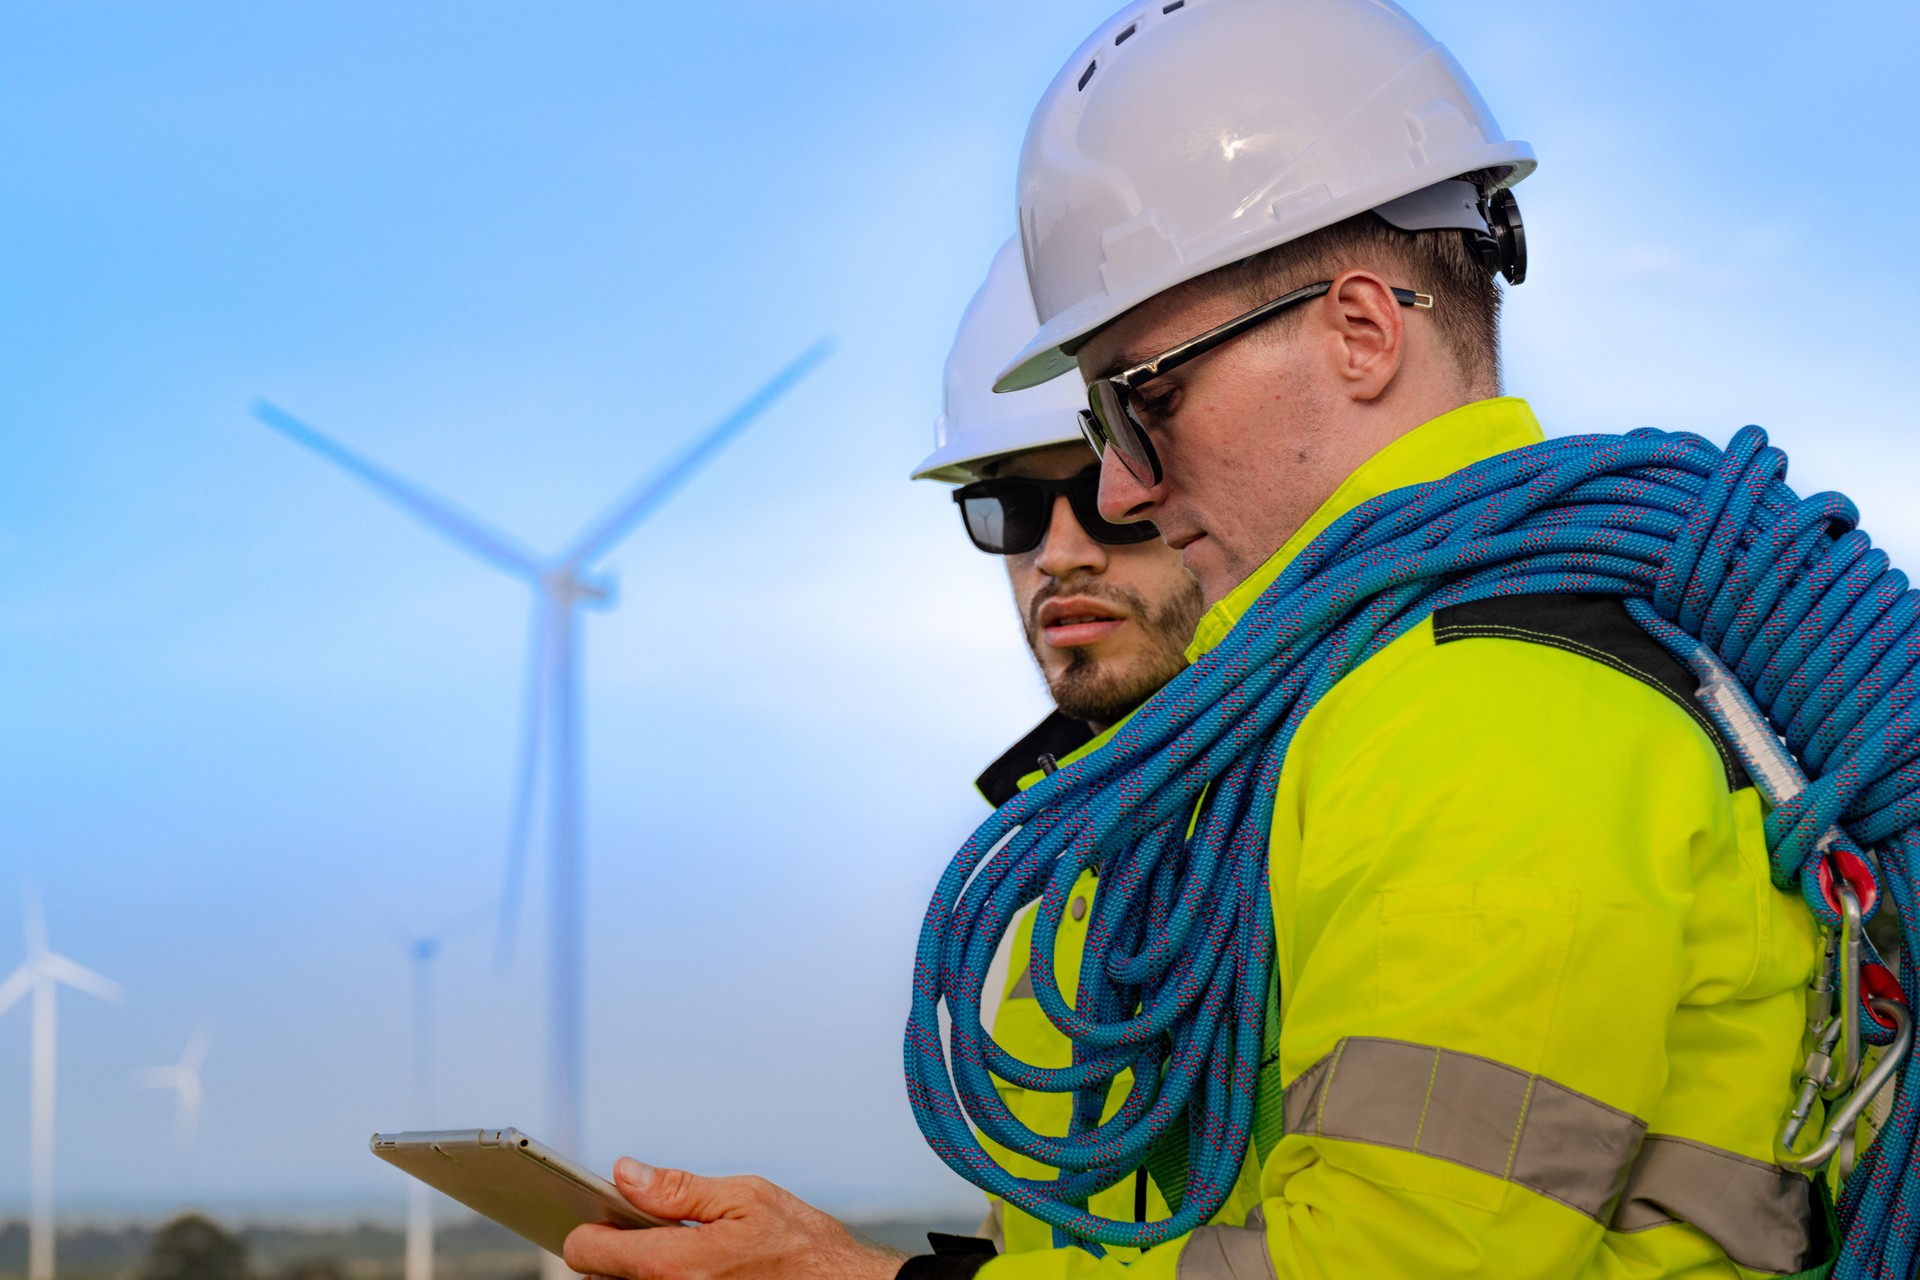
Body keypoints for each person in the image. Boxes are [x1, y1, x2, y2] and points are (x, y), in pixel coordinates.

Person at [561, 243, 1203, 1280]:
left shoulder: (1312, 803)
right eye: (1010, 511)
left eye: (1107, 492)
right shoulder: (1057, 882)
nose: (1059, 552)